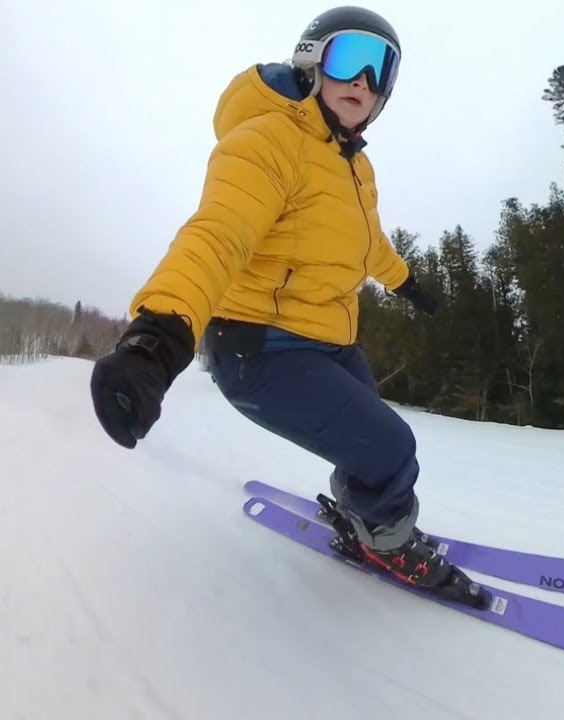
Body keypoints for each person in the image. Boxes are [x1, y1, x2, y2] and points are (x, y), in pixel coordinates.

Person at [88, 6, 487, 608]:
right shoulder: (267, 141)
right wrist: (157, 337)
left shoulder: (354, 164)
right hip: (260, 347)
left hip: (329, 340)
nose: (364, 83)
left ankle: (365, 514)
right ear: (311, 58)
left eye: (382, 70)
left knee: (369, 445)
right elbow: (219, 236)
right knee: (390, 446)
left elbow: (367, 243)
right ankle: (385, 540)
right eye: (352, 59)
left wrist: (406, 284)